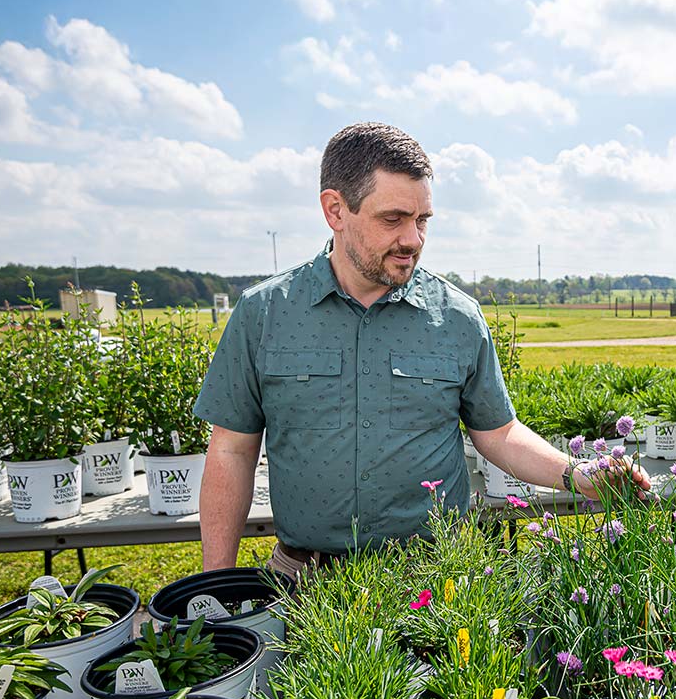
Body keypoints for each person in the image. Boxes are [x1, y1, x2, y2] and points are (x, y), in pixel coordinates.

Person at [193, 122, 648, 578]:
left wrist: (578, 473)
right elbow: (232, 451)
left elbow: (498, 433)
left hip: (431, 583)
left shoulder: (457, 317)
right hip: (303, 580)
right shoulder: (266, 313)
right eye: (393, 219)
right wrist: (214, 585)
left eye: (422, 220)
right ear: (335, 210)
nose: (413, 239)